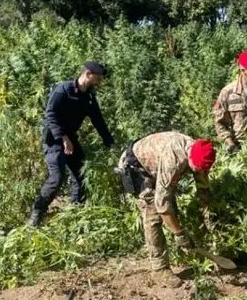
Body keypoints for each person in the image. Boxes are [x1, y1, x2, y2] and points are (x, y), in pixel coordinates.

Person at [116, 131, 217, 288]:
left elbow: (203, 187)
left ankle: (175, 249)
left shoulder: (202, 152)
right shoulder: (174, 160)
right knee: (153, 214)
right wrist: (180, 234)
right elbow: (162, 205)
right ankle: (160, 268)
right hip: (136, 167)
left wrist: (208, 217)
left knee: (170, 207)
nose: (198, 172)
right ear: (189, 159)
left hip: (155, 165)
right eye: (195, 169)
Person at [28, 61, 117, 227]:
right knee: (57, 177)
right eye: (98, 78)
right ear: (88, 74)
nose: (100, 82)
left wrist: (110, 144)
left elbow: (98, 121)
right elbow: (50, 115)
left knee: (81, 176)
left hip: (70, 138)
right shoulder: (63, 90)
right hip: (54, 139)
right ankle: (36, 214)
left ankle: (76, 214)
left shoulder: (89, 97)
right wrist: (63, 138)